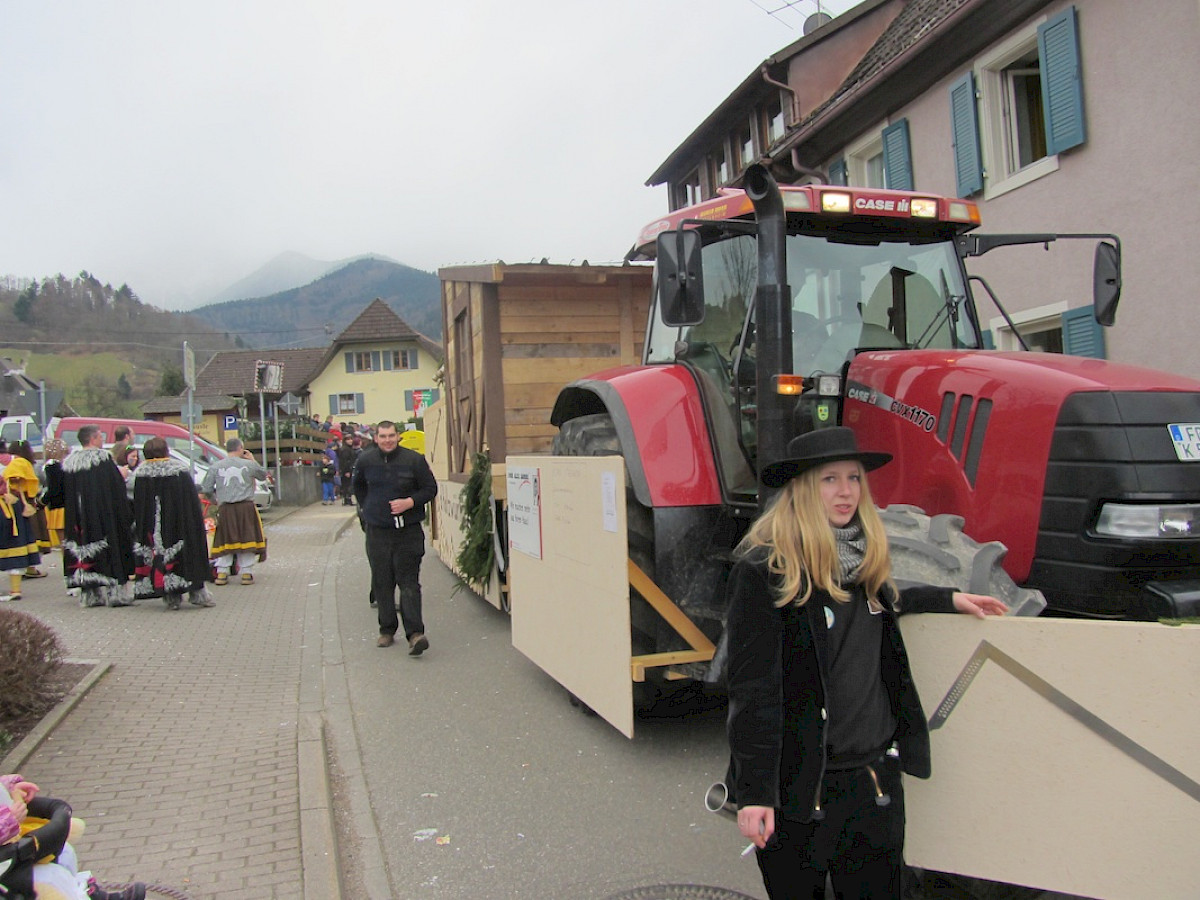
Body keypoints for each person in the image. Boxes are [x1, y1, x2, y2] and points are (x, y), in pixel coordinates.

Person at [724, 427, 1007, 899]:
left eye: (853, 478)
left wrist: (948, 598)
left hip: (872, 782)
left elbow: (888, 600)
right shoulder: (765, 572)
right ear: (803, 490)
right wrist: (755, 795)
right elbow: (753, 693)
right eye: (829, 479)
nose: (846, 492)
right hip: (801, 789)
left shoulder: (863, 566)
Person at [352, 419, 437, 653]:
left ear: (398, 436)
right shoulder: (365, 461)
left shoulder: (414, 460)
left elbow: (430, 489)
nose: (387, 440)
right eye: (383, 436)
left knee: (409, 583)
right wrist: (370, 509)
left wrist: (410, 502)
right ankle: (387, 630)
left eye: (391, 436)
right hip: (378, 532)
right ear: (376, 438)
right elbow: (358, 488)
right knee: (382, 582)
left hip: (408, 531)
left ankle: (415, 634)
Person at [1, 774, 146, 899]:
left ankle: (82, 892)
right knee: (50, 877)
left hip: (15, 847)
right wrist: (9, 821)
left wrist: (10, 787)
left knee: (65, 852)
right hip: (7, 863)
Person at [130, 437, 214, 610]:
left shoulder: (140, 475)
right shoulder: (179, 472)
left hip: (152, 524)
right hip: (180, 523)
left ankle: (170, 596)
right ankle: (197, 593)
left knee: (160, 555)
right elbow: (190, 502)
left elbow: (138, 504)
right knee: (185, 555)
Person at [61, 425, 135, 608]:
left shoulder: (69, 465)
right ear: (93, 439)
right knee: (109, 550)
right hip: (103, 515)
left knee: (83, 550)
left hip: (77, 518)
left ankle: (90, 593)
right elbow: (116, 488)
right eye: (100, 437)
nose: (103, 440)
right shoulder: (103, 460)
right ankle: (115, 593)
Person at [201, 438, 267, 586]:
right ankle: (246, 573)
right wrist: (252, 459)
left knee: (225, 539)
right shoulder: (248, 464)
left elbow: (206, 489)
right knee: (247, 537)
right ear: (240, 448)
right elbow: (263, 475)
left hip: (226, 508)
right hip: (246, 508)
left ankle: (222, 573)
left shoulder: (216, 466)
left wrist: (215, 501)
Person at [4, 442, 50, 576]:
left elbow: (14, 479)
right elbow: (16, 479)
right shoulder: (22, 463)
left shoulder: (18, 463)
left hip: (22, 503)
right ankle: (29, 567)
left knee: (28, 535)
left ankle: (28, 567)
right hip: (25, 502)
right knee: (31, 534)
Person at [0, 474, 40, 602]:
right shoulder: (15, 469)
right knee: (15, 548)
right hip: (11, 506)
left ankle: (15, 590)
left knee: (13, 548)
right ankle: (15, 590)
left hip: (8, 506)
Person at [38, 439, 69, 549]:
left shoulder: (52, 466)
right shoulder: (68, 465)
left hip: (59, 508)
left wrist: (41, 502)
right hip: (71, 507)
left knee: (64, 543)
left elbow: (53, 489)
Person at [336, 436, 358, 506]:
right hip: (346, 470)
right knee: (347, 485)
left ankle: (347, 499)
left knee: (346, 484)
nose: (350, 441)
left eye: (351, 439)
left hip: (347, 469)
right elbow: (345, 461)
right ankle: (347, 500)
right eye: (348, 439)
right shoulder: (345, 450)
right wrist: (346, 471)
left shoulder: (348, 449)